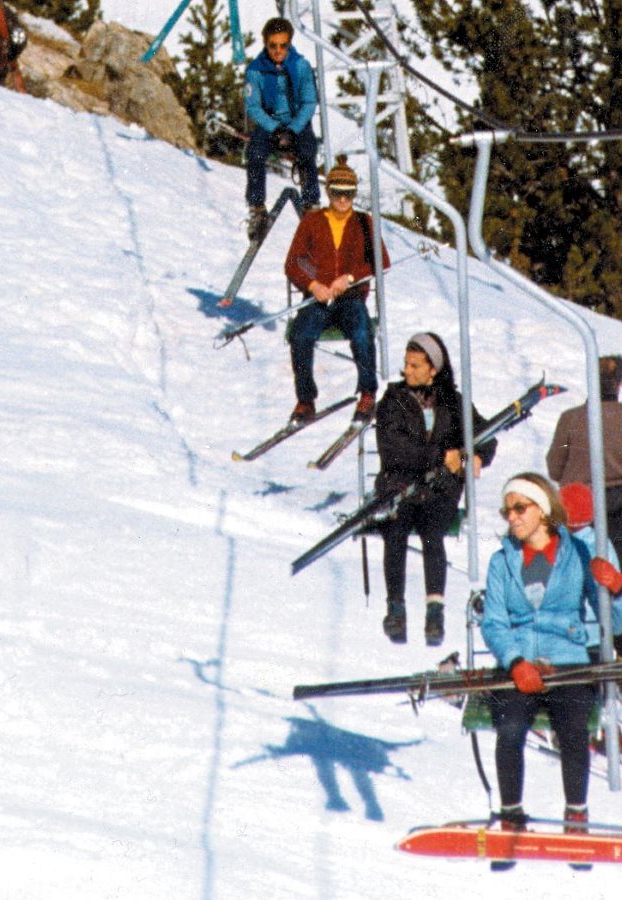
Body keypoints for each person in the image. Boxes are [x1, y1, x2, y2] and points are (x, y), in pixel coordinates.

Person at [480, 472, 622, 854]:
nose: (511, 517)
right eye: (506, 510)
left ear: (543, 511)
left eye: (519, 508)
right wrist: (514, 662)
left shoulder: (577, 555)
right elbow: (494, 622)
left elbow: (617, 622)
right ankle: (511, 812)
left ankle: (576, 813)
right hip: (519, 663)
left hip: (567, 660)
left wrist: (617, 590)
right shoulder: (502, 563)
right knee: (510, 727)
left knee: (573, 729)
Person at [374, 333, 496, 646]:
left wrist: (475, 456)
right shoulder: (393, 400)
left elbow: (487, 434)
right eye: (406, 365)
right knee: (396, 530)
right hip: (401, 482)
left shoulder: (453, 403)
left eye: (416, 365)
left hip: (440, 487)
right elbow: (394, 446)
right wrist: (441, 456)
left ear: (433, 370)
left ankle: (434, 611)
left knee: (433, 532)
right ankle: (396, 607)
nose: (408, 371)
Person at [546, 354, 622, 658]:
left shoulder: (570, 419)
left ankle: (578, 647)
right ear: (621, 382)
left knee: (575, 579)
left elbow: (555, 468)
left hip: (578, 509)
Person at [284, 156, 389, 426]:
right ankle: (306, 400)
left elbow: (381, 261)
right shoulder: (312, 221)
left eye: (349, 194)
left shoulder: (364, 223)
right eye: (337, 194)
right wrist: (313, 284)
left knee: (362, 332)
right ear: (329, 193)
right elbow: (294, 261)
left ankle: (367, 394)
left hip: (350, 297)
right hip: (318, 299)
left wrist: (350, 277)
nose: (343, 200)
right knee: (300, 336)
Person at [244, 17, 321, 240]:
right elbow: (253, 106)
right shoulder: (256, 71)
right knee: (255, 153)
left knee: (307, 151)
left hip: (296, 123)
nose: (278, 51)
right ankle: (257, 208)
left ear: (289, 44)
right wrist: (275, 128)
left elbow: (309, 102)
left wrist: (294, 129)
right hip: (271, 124)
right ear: (265, 44)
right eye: (273, 46)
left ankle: (311, 205)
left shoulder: (300, 66)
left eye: (283, 45)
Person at [559, 482, 622, 664]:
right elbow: (618, 623)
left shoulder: (551, 545)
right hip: (593, 641)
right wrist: (619, 588)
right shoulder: (602, 546)